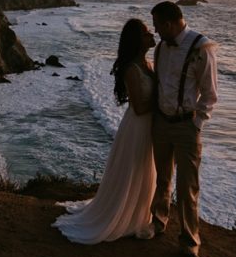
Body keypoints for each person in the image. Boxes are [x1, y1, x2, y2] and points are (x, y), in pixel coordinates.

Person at [53, 19, 158, 244]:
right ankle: (123, 217)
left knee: (143, 171)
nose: (151, 35)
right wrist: (164, 103)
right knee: (132, 171)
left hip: (149, 128)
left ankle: (136, 215)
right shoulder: (132, 68)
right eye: (146, 32)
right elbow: (139, 108)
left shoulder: (149, 63)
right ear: (137, 40)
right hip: (137, 128)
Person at [149, 1, 217, 257]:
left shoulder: (202, 47)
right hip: (161, 123)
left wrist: (196, 124)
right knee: (162, 178)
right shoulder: (161, 48)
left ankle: (190, 243)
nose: (155, 31)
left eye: (156, 25)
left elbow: (210, 93)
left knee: (187, 187)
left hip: (186, 126)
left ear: (168, 23)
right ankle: (158, 221)